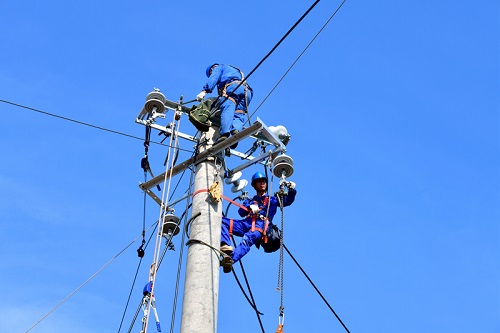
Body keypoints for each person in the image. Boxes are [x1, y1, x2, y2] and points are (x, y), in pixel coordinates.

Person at [220, 172, 297, 263]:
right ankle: (225, 244)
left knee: (247, 239)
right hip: (246, 223)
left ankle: (230, 259)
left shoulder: (272, 200)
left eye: (264, 181)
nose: (262, 183)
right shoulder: (250, 201)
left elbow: (287, 201)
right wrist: (250, 206)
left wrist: (291, 191)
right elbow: (241, 212)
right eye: (259, 182)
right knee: (221, 221)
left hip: (260, 225)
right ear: (254, 185)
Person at [196, 64, 254, 147]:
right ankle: (236, 132)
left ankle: (224, 135)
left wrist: (204, 91)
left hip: (234, 87)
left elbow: (214, 78)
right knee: (238, 113)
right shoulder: (234, 70)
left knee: (227, 108)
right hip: (247, 92)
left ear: (212, 69)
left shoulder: (219, 68)